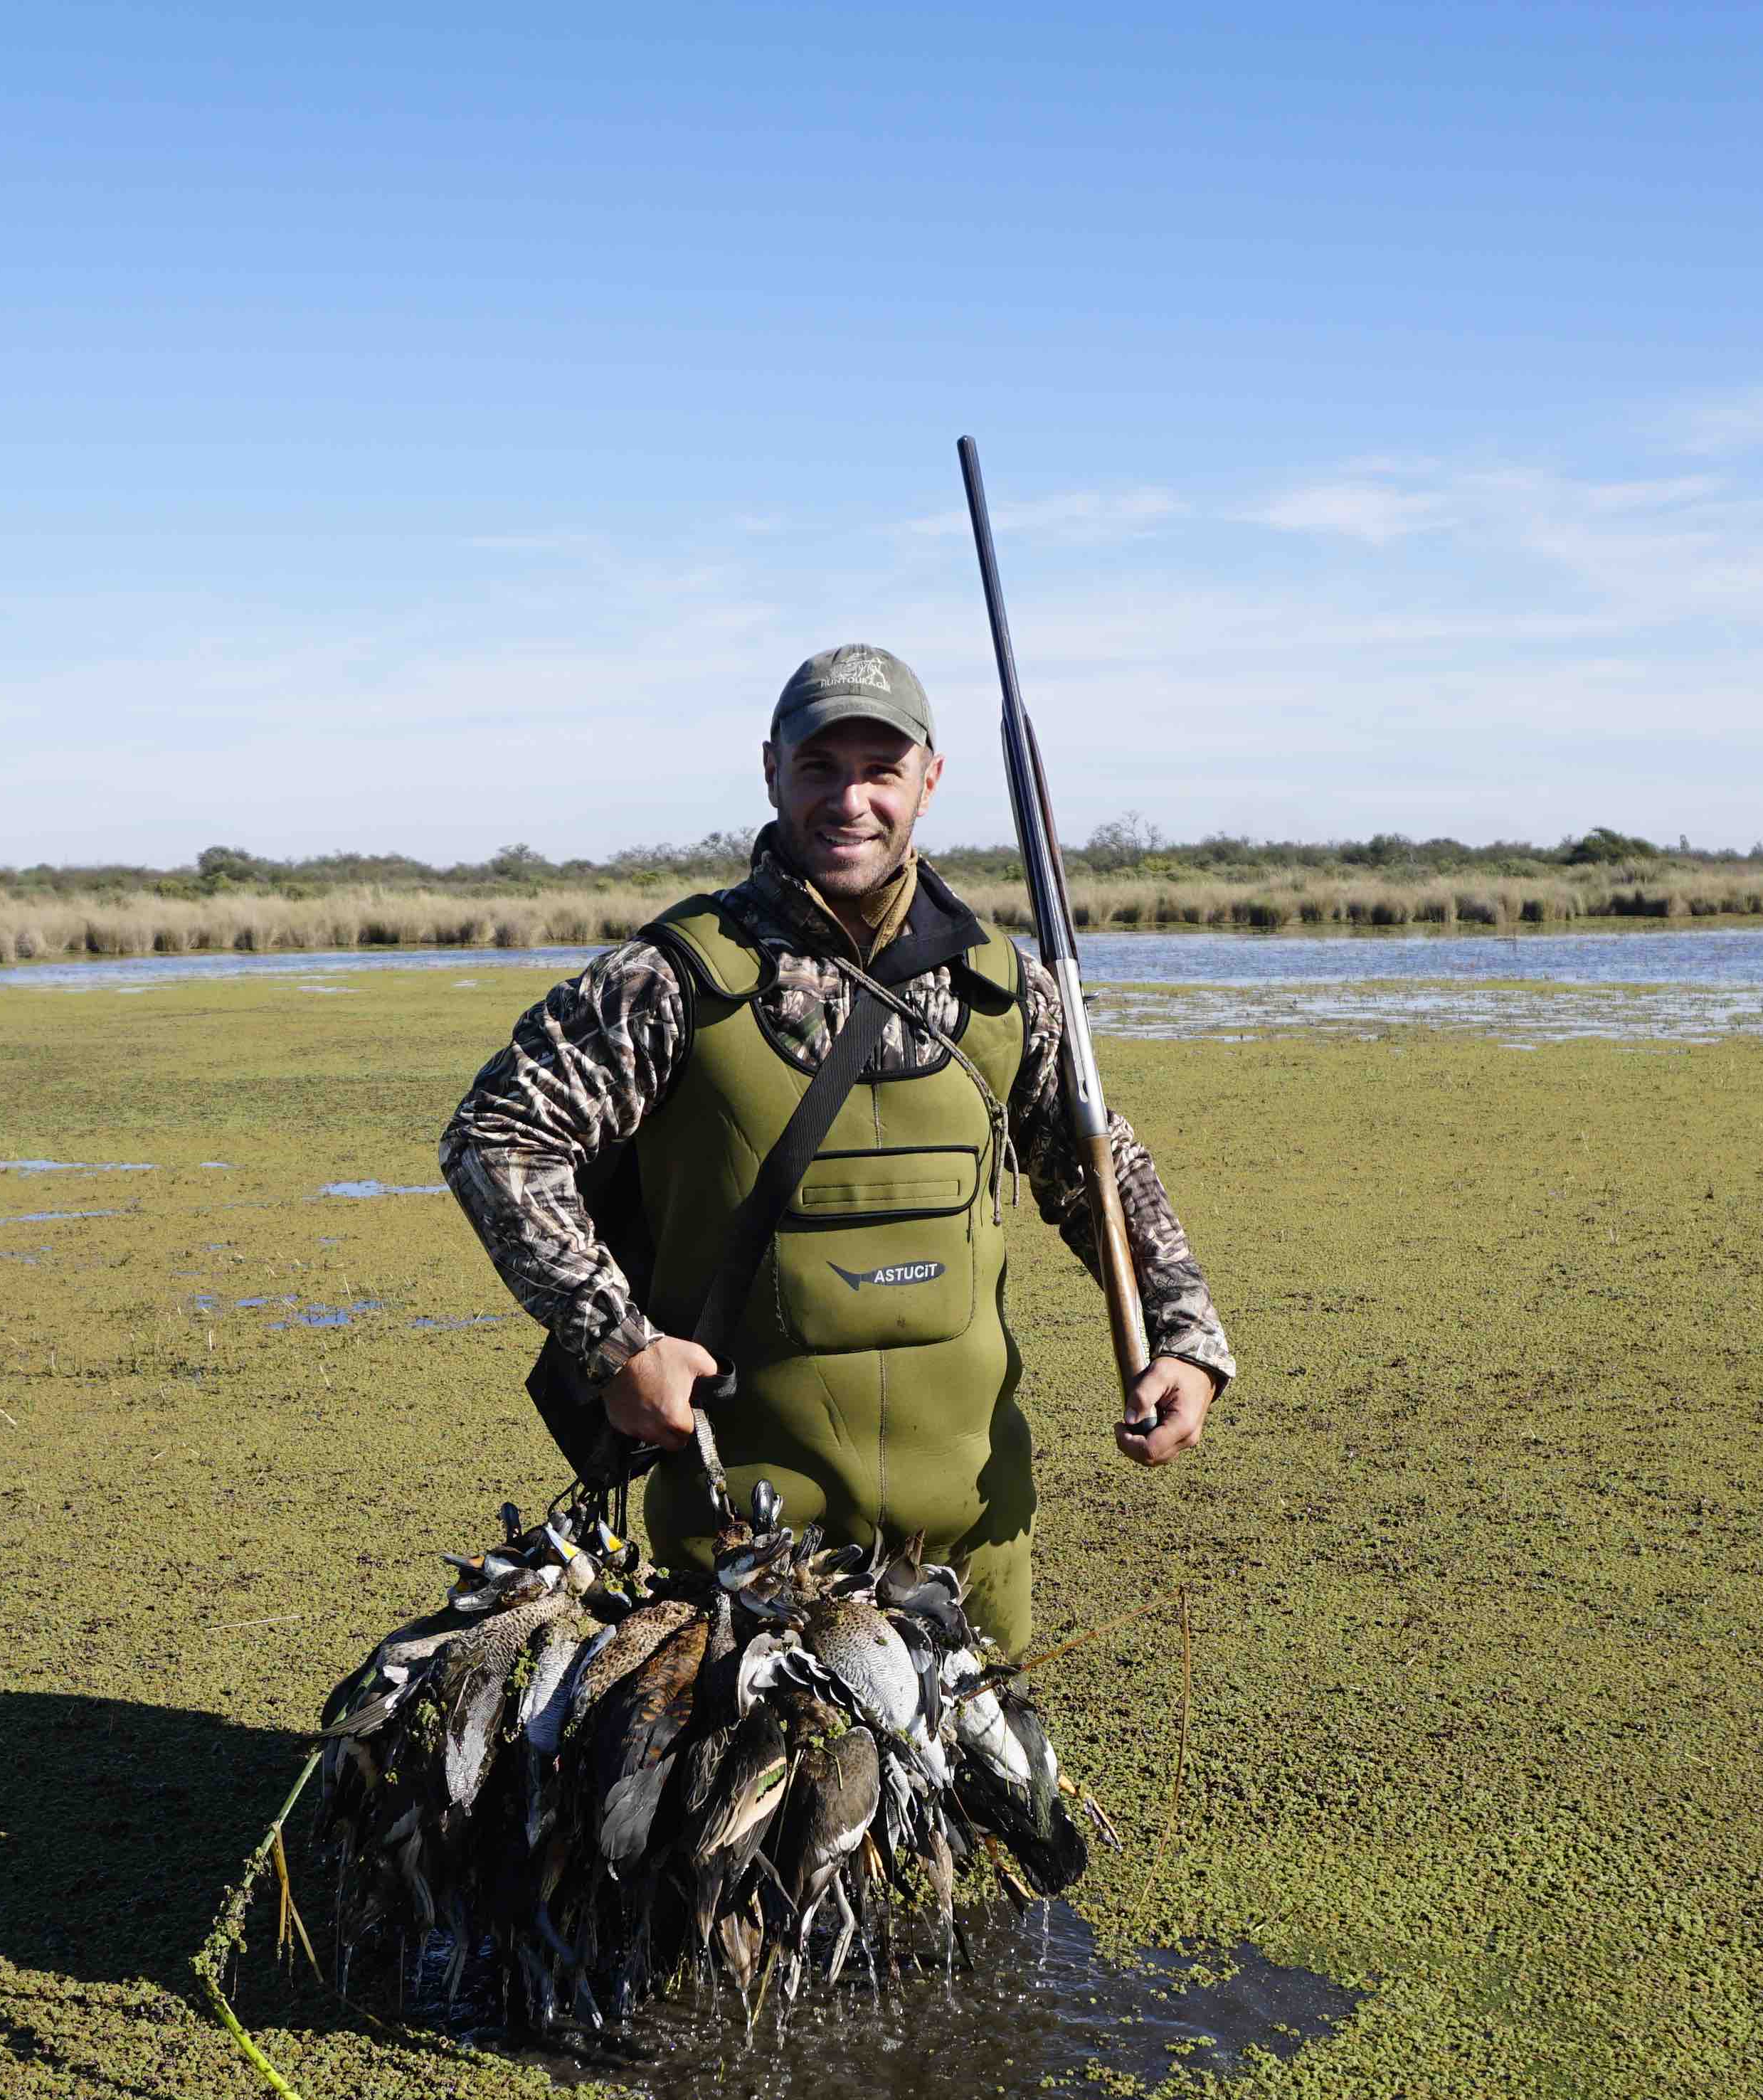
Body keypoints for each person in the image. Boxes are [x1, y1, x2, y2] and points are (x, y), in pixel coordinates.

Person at [440, 642, 1231, 1654]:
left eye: (881, 771)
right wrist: (617, 1345)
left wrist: (1184, 1339)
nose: (849, 800)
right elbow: (497, 1138)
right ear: (772, 769)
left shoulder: (1002, 989)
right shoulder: (669, 981)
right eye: (820, 767)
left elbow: (1099, 1168)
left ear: (929, 782)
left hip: (975, 1550)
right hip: (748, 1558)